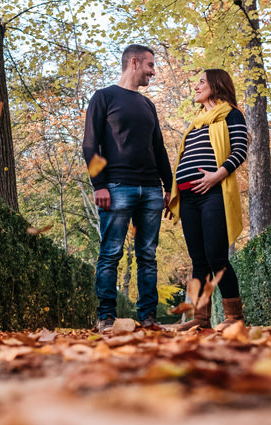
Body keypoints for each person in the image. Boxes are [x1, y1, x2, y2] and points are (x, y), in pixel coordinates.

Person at [83, 45, 174, 333]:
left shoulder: (148, 105)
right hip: (116, 187)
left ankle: (148, 319)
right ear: (133, 62)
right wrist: (99, 184)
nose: (153, 71)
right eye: (149, 65)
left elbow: (158, 148)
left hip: (151, 190)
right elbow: (90, 144)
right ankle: (106, 318)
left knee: (148, 255)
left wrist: (169, 187)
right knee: (110, 253)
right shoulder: (104, 97)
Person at [166, 69, 248, 331]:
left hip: (213, 193)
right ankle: (201, 321)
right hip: (188, 196)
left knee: (216, 256)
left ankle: (234, 318)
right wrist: (173, 193)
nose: (196, 86)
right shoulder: (198, 121)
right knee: (198, 260)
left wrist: (216, 176)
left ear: (216, 84)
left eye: (201, 82)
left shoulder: (231, 114)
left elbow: (240, 151)